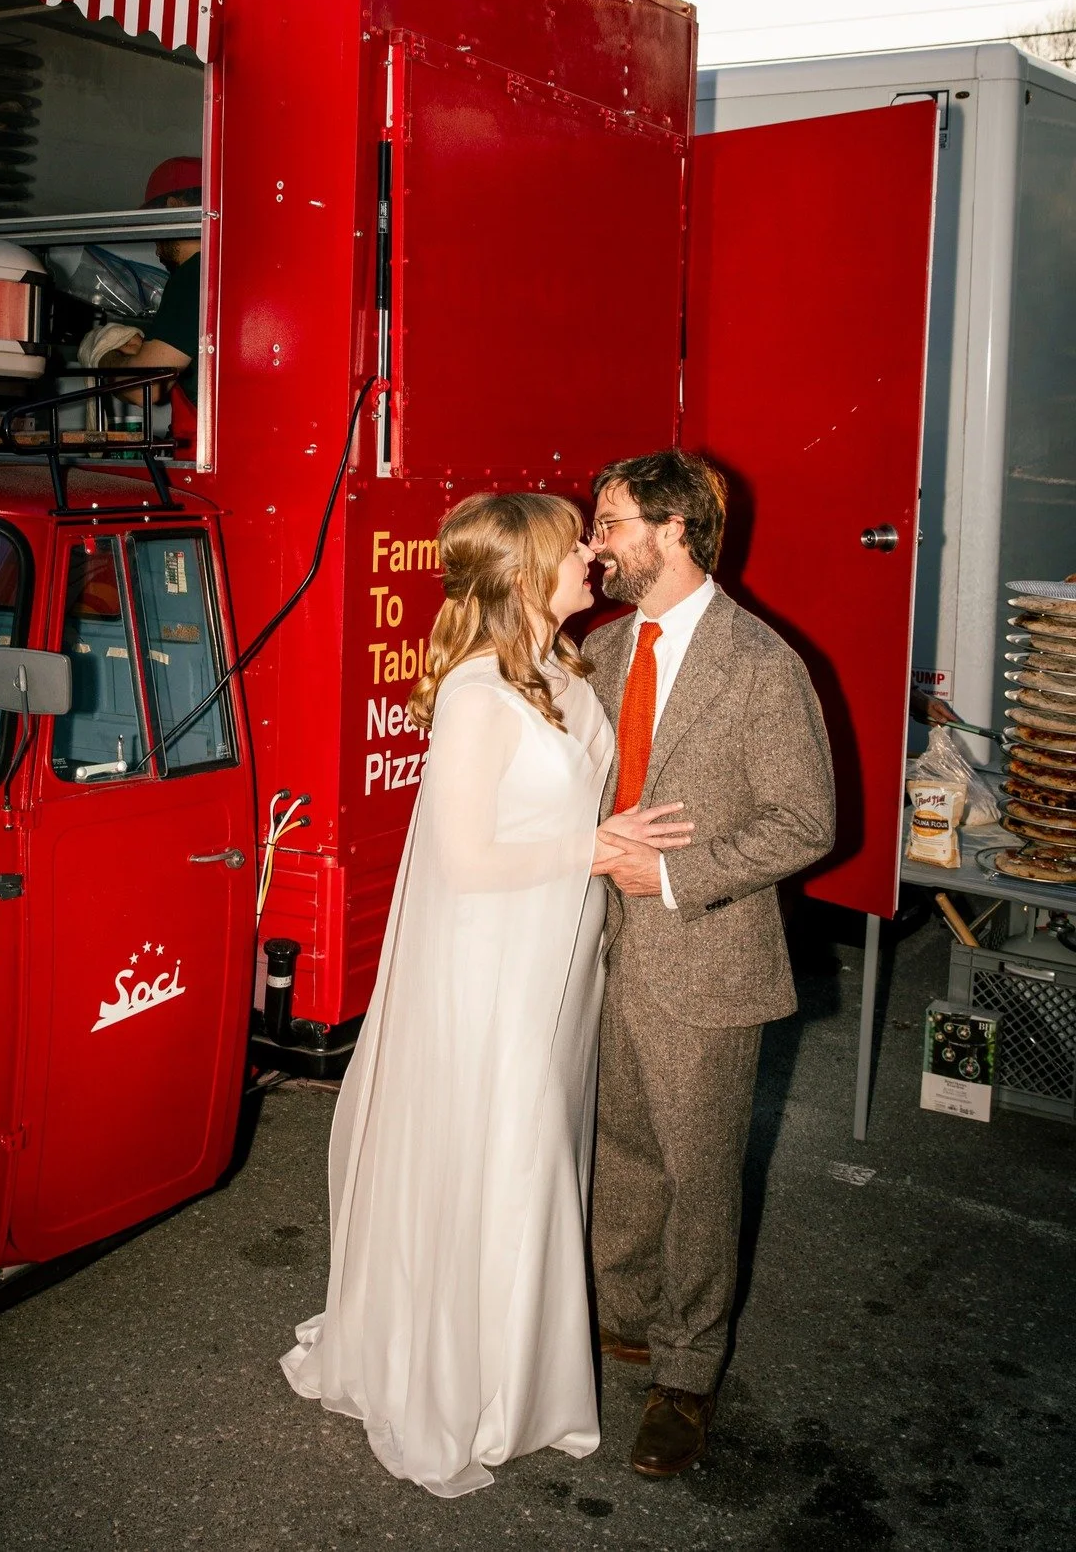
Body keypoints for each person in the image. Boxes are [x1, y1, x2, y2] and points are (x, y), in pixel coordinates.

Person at [281, 491, 694, 1498]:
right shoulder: (476, 692)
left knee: (539, 1157)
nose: (591, 558)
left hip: (557, 959)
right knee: (506, 1160)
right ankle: (469, 1383)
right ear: (521, 574)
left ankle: (518, 1379)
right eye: (573, 548)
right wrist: (593, 847)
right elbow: (465, 858)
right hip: (494, 971)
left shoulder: (565, 664)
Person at [581, 449, 836, 1479]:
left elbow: (808, 820)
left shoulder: (763, 663)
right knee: (623, 1145)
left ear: (675, 528)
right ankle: (624, 1318)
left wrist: (675, 879)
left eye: (609, 520)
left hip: (709, 955)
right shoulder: (599, 649)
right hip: (603, 950)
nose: (594, 541)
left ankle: (685, 1377)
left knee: (698, 1173)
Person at [118, 156, 203, 441]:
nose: (156, 248)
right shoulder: (231, 270)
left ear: (173, 207)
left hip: (203, 469)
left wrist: (103, 352)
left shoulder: (197, 274)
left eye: (153, 226)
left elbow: (144, 388)